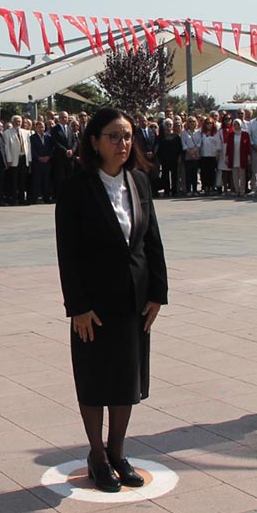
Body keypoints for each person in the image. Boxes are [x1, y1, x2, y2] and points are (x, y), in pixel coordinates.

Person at [54, 107, 167, 492]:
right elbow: (67, 253)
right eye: (114, 136)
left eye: (128, 136)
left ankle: (118, 451)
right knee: (94, 379)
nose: (123, 143)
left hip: (134, 299)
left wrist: (158, 293)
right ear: (94, 142)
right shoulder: (75, 188)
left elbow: (152, 240)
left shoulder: (139, 181)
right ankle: (97, 456)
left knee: (127, 379)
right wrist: (78, 307)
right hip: (94, 305)